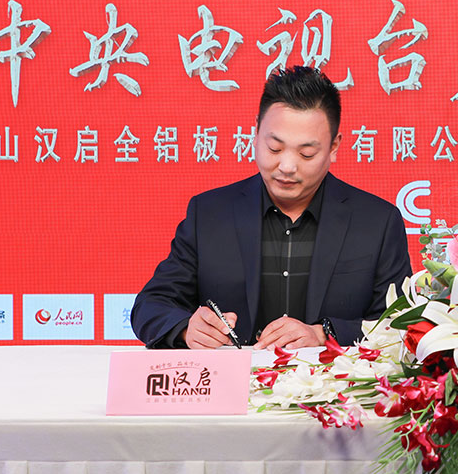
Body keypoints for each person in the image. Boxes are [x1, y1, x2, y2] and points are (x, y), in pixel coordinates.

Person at [130, 66, 411, 350]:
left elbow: (401, 323)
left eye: (306, 154)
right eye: (274, 148)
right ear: (256, 132)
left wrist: (324, 334)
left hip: (335, 378)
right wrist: (186, 328)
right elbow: (151, 306)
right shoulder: (209, 214)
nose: (287, 166)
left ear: (334, 146)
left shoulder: (377, 222)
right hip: (234, 377)